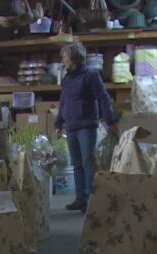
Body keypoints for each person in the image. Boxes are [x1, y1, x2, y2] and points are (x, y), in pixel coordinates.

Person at [54, 43, 117, 212]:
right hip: (71, 127)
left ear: (74, 58)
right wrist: (58, 123)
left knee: (88, 163)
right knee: (76, 164)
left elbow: (103, 98)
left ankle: (91, 198)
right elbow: (64, 103)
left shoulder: (90, 76)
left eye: (65, 57)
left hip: (86, 126)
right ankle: (80, 198)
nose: (63, 61)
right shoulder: (67, 79)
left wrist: (110, 121)